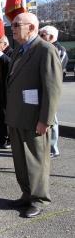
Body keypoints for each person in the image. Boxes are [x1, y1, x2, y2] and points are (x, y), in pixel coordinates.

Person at [6, 13, 62, 218]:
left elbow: (52, 88)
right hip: (16, 116)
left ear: (31, 28)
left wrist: (45, 120)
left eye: (16, 25)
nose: (12, 28)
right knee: (20, 161)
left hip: (34, 118)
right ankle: (27, 194)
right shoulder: (18, 51)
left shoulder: (45, 50)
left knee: (36, 161)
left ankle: (38, 199)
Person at [39, 25, 67, 158]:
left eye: (43, 34)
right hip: (41, 88)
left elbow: (55, 70)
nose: (40, 36)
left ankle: (53, 148)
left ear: (51, 36)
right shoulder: (41, 48)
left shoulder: (59, 49)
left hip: (51, 89)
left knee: (51, 118)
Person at [0, 36, 12, 149]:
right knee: (0, 119)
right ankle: (0, 139)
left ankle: (8, 140)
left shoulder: (11, 53)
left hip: (7, 92)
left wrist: (3, 57)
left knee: (7, 118)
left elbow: (12, 66)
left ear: (4, 44)